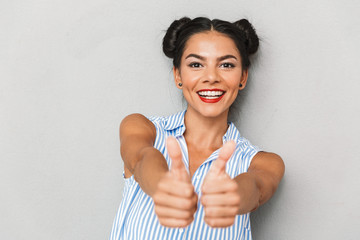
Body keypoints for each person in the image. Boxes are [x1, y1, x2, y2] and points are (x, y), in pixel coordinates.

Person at [110, 17, 285, 240]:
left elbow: (256, 187)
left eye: (226, 65)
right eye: (196, 64)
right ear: (178, 75)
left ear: (242, 77)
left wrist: (232, 196)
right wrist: (162, 185)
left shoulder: (263, 162)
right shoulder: (142, 127)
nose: (211, 77)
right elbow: (142, 157)